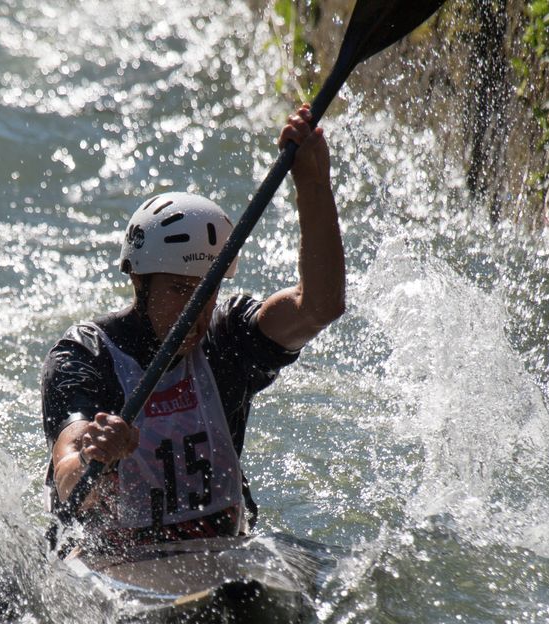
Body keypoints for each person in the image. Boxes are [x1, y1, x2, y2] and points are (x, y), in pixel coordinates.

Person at [41, 104, 345, 549]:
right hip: (116, 560)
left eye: (207, 291)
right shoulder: (84, 356)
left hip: (221, 553)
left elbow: (319, 306)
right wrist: (97, 455)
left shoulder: (229, 338)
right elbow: (68, 475)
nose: (195, 311)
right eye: (180, 290)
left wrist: (312, 181)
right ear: (139, 282)